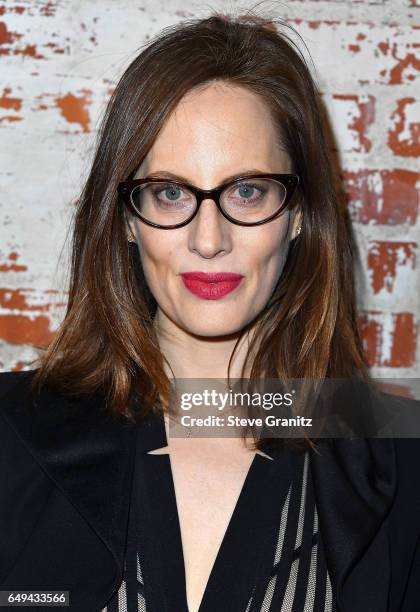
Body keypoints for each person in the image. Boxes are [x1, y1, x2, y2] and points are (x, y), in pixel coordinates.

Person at [1, 11, 420, 612]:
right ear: (124, 217)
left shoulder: (400, 463)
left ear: (300, 212)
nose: (208, 239)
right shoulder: (11, 437)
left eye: (247, 191)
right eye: (170, 193)